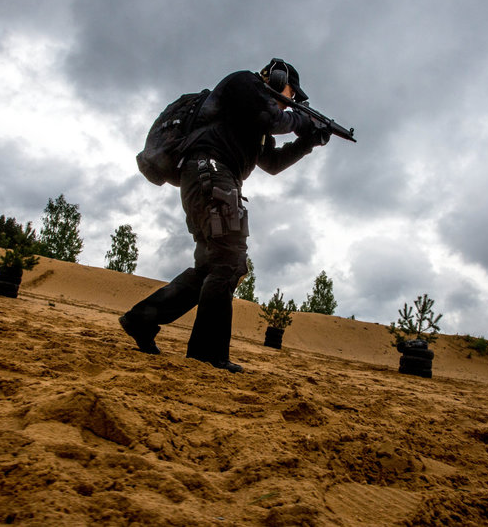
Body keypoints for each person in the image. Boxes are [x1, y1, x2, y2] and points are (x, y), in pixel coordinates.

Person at [119, 58, 331, 373]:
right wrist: (300, 121)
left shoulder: (254, 118)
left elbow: (271, 163)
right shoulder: (244, 84)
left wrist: (309, 141)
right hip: (211, 175)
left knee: (211, 268)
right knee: (230, 262)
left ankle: (143, 319)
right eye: (291, 94)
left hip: (209, 180)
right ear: (275, 79)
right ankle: (207, 355)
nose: (292, 102)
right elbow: (273, 118)